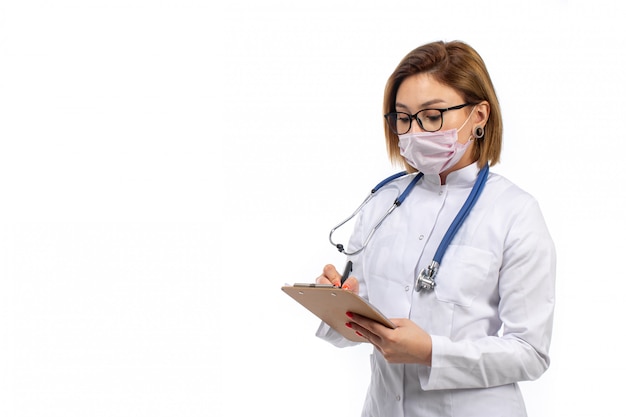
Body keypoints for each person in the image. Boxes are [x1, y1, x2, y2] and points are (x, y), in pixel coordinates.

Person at [315, 40, 556, 417]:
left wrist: (431, 352)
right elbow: (362, 323)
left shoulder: (515, 212)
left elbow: (530, 353)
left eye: (432, 116)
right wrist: (337, 304)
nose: (414, 132)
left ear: (478, 115)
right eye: (403, 117)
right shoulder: (383, 202)